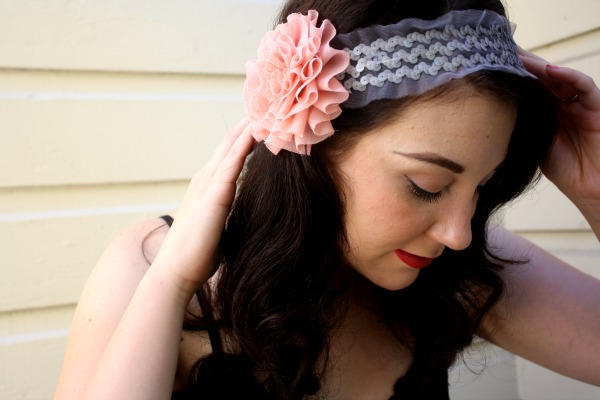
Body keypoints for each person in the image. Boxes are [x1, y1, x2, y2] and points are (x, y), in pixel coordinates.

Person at [54, 0, 600, 399]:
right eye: (426, 186)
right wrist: (171, 284)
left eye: (481, 187)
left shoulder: (457, 268)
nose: (458, 232)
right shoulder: (147, 269)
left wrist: (594, 190)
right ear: (314, 146)